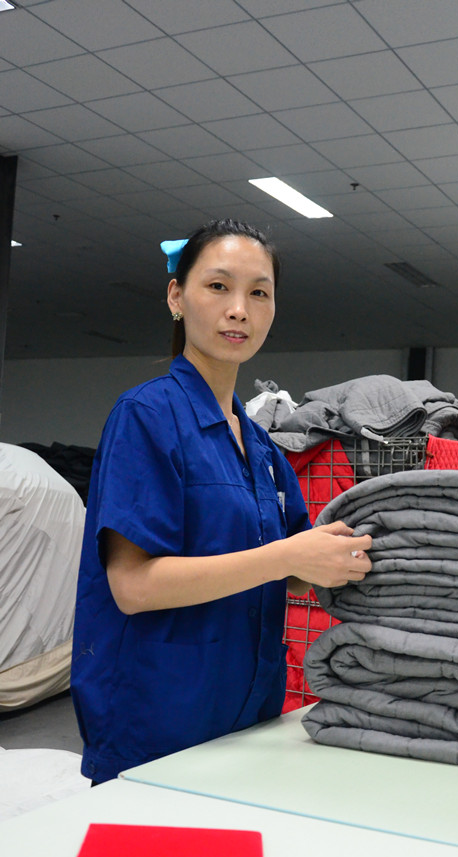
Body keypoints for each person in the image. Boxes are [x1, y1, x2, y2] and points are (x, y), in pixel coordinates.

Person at [71, 218, 372, 784]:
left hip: (248, 719)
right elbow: (133, 587)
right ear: (176, 297)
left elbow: (290, 573)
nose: (239, 310)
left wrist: (340, 556)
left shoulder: (260, 446)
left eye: (259, 293)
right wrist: (288, 557)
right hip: (157, 724)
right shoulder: (147, 416)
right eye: (218, 286)